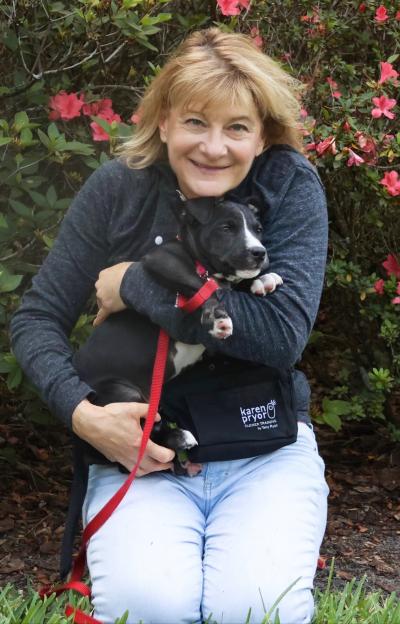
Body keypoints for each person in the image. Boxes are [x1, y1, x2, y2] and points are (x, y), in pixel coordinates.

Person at [10, 27, 329, 624]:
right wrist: (85, 416)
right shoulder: (120, 188)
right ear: (162, 123)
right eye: (195, 123)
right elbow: (36, 318)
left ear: (261, 137)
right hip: (140, 453)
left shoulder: (287, 186)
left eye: (236, 127)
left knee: (259, 609)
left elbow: (280, 336)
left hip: (262, 448)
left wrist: (132, 283)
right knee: (147, 608)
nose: (214, 147)